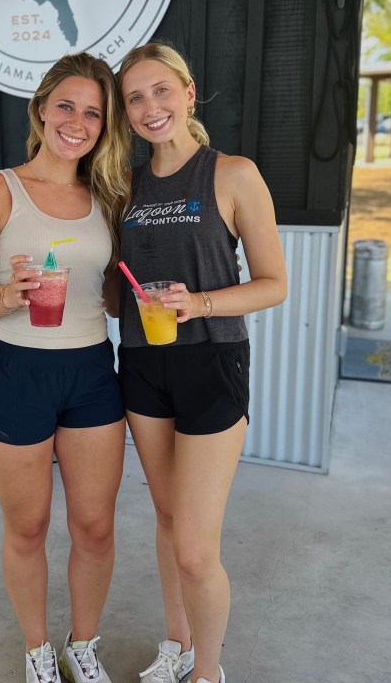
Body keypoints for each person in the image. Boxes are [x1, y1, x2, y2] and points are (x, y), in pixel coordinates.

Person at [114, 42, 288, 683]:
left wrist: (203, 301)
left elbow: (274, 283)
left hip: (211, 362)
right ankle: (177, 644)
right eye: (135, 97)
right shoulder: (124, 185)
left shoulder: (232, 173)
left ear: (189, 93)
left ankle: (208, 672)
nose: (149, 106)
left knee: (193, 548)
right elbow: (115, 289)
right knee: (164, 519)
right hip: (141, 362)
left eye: (161, 90)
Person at [0, 53, 130, 683]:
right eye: (67, 105)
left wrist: (142, 296)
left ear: (104, 127)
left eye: (93, 112)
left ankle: (83, 645)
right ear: (40, 109)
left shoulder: (108, 196)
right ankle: (38, 650)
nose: (78, 121)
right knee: (28, 527)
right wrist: (9, 292)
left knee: (95, 526)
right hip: (16, 370)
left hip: (89, 370)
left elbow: (108, 295)